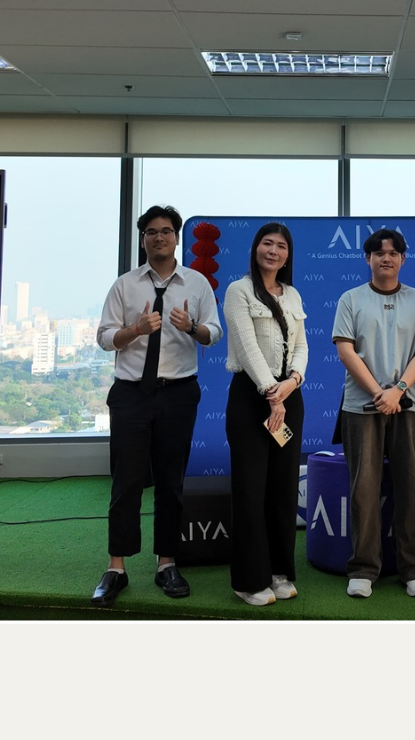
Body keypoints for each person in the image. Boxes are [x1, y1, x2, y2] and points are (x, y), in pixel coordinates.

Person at [92, 205, 223, 605]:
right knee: (126, 482)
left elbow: (214, 333)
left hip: (178, 393)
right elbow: (104, 338)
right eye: (151, 232)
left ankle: (167, 562)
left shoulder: (197, 284)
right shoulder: (125, 285)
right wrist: (135, 329)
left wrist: (192, 327)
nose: (159, 237)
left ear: (177, 238)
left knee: (170, 482)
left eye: (166, 231)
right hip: (131, 394)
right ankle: (117, 568)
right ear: (143, 239)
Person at [332, 229, 415, 598]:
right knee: (363, 487)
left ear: (403, 259)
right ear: (368, 259)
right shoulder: (350, 298)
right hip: (361, 406)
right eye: (378, 253)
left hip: (409, 404)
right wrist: (379, 393)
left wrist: (399, 390)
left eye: (393, 253)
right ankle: (363, 568)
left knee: (410, 485)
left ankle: (414, 568)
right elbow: (346, 350)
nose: (386, 258)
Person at [223, 223, 308, 607]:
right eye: (267, 243)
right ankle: (249, 580)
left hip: (289, 396)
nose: (273, 251)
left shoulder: (292, 294)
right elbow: (247, 347)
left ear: (288, 255)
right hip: (253, 397)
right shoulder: (238, 291)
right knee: (250, 490)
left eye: (281, 246)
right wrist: (273, 395)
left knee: (282, 488)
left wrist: (293, 381)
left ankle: (278, 572)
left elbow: (302, 346)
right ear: (256, 248)